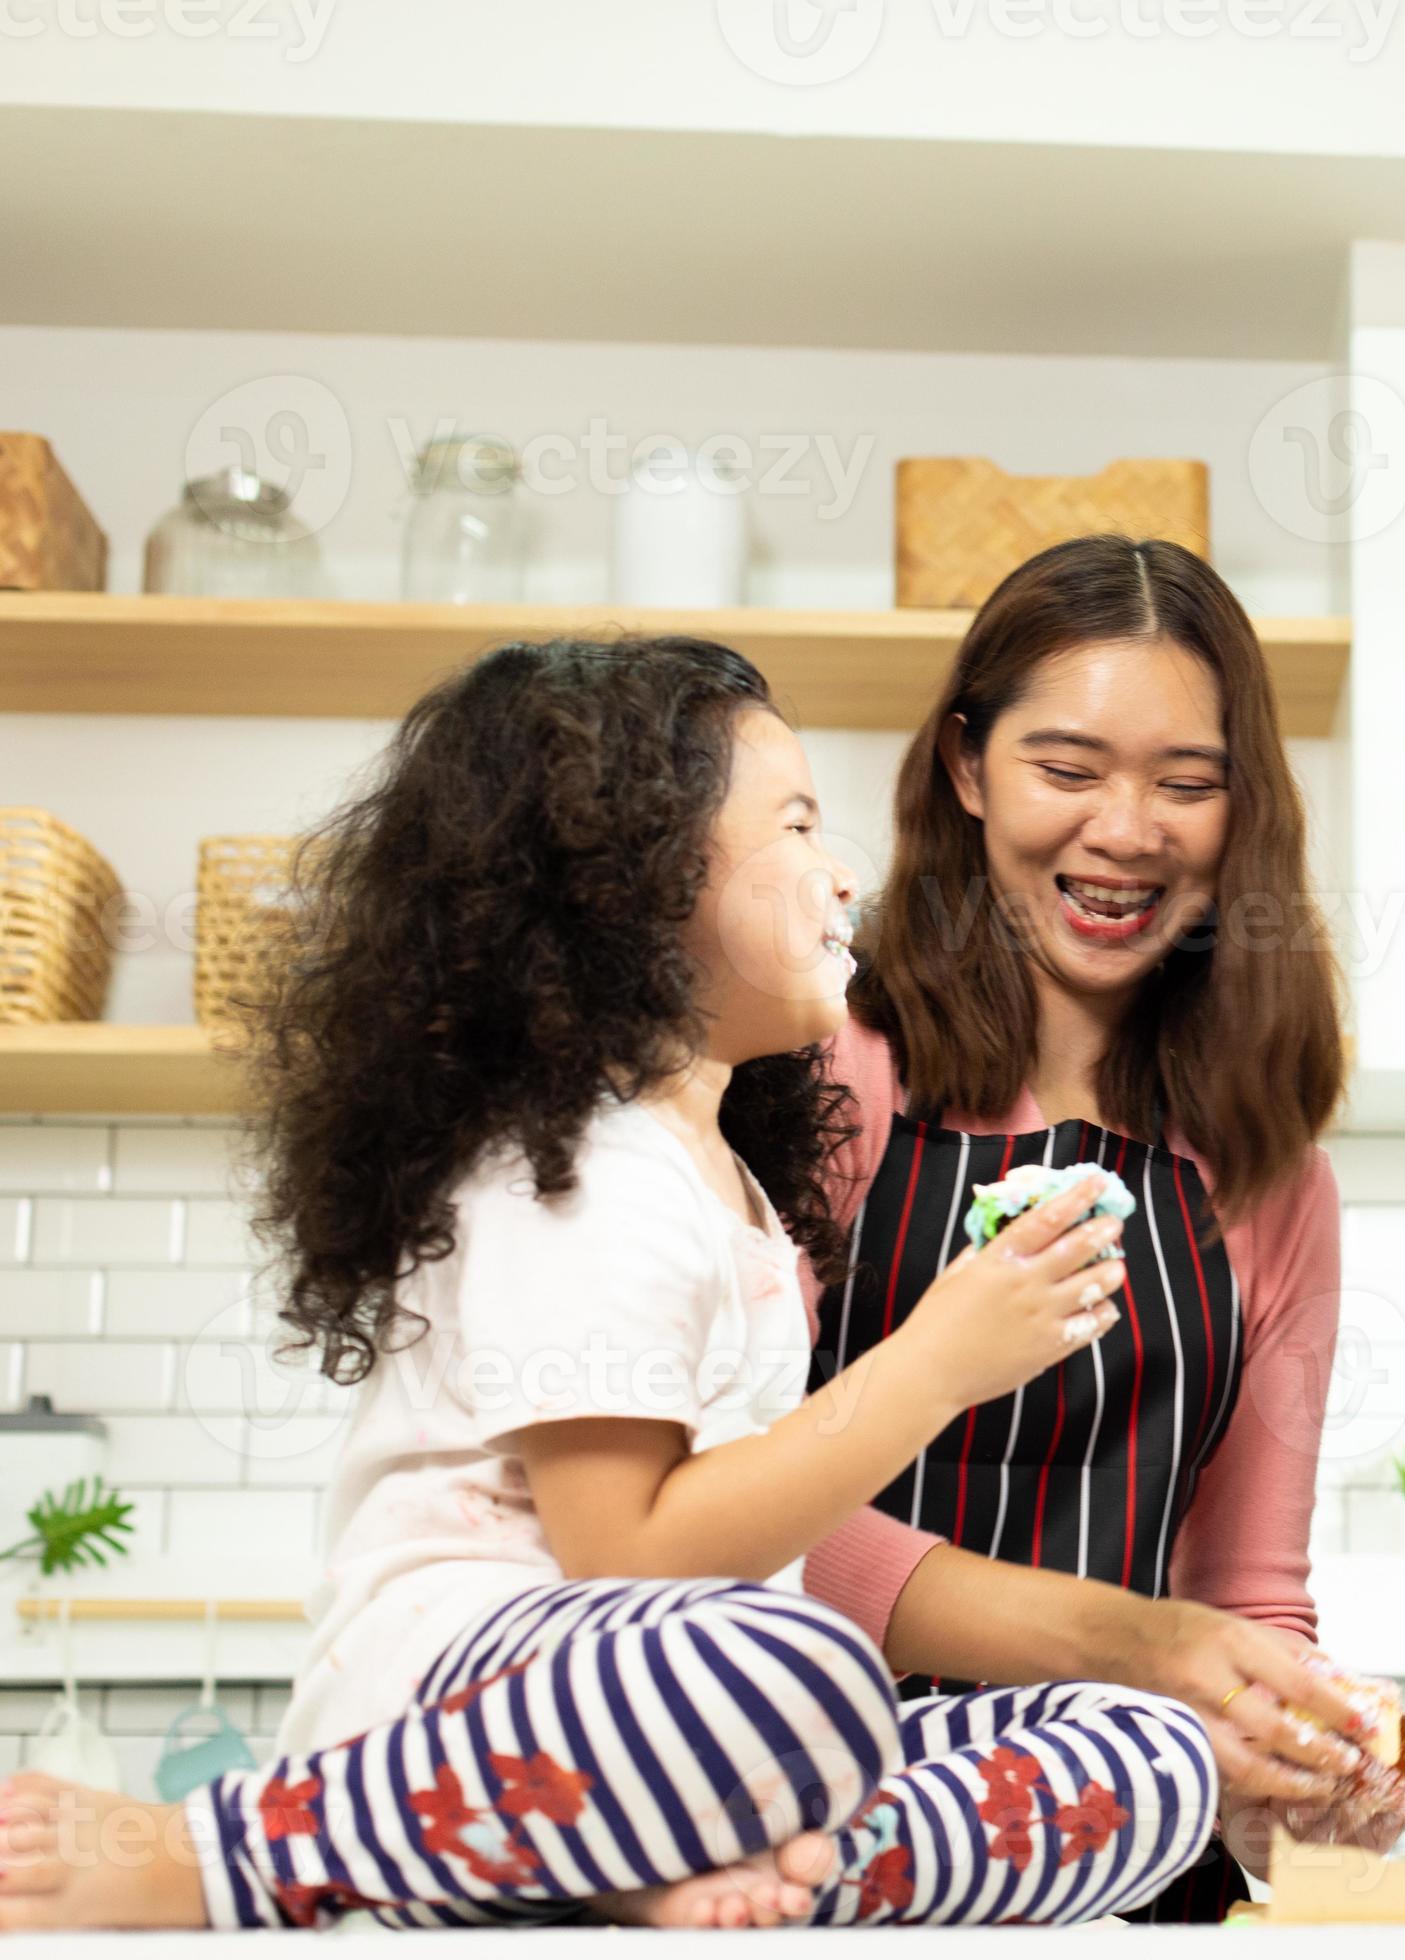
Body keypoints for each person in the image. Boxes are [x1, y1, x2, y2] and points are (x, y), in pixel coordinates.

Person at [0, 637, 1233, 1932]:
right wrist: (934, 1367)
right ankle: (229, 1856)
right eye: (797, 826)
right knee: (806, 1668)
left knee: (1149, 1754)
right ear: (641, 889)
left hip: (667, 1735)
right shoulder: (584, 1170)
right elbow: (628, 1559)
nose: (844, 874)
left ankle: (744, 1877)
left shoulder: (726, 1185)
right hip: (476, 1714)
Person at [799, 535, 1397, 1917]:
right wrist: (1137, 1645)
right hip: (828, 1829)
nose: (1128, 832)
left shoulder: (1271, 1175)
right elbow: (730, 1526)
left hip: (1133, 1860)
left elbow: (1249, 1591)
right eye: (1067, 770)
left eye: (1187, 783)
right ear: (967, 767)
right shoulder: (835, 1078)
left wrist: (1297, 1756)